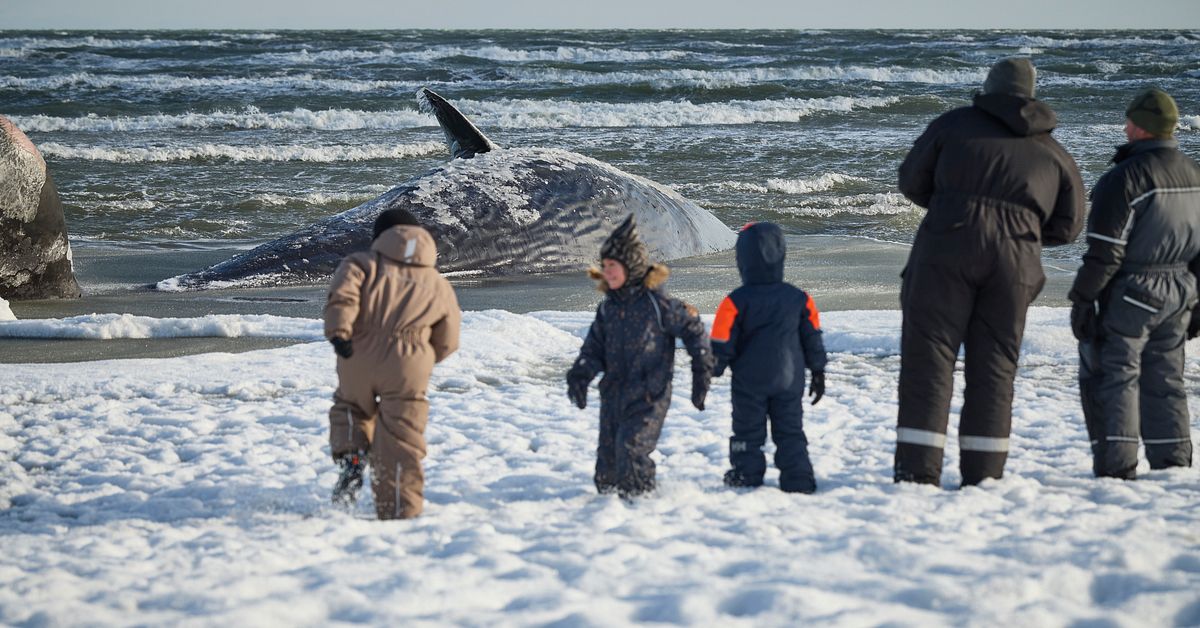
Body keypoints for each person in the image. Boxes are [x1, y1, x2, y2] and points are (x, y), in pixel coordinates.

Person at [894, 57, 1086, 487]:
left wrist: (953, 207)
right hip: (1015, 263)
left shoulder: (953, 125)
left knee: (931, 359)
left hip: (946, 249)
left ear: (989, 87)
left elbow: (911, 181)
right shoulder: (1053, 151)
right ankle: (984, 475)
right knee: (995, 367)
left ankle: (916, 473)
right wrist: (1023, 232)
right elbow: (1070, 225)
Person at [1069, 87, 1200, 479]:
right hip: (1180, 290)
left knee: (1116, 375)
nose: (1125, 126)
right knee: (1166, 379)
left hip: (1134, 291)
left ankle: (1117, 466)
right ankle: (1172, 464)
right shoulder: (1194, 175)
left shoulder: (1125, 178)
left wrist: (1082, 299)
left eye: (1130, 120)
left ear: (1142, 127)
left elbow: (1105, 252)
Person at [324, 208, 461, 519]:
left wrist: (339, 334)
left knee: (350, 406)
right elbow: (449, 337)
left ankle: (352, 456)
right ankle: (400, 513)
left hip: (358, 352)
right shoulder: (437, 282)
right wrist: (425, 358)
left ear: (380, 237)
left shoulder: (361, 264)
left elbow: (342, 298)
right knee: (402, 436)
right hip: (409, 363)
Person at [566, 215, 713, 498]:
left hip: (649, 396)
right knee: (607, 468)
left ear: (630, 266)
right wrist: (580, 376)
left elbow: (694, 333)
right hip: (613, 395)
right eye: (605, 265)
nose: (606, 272)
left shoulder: (658, 305)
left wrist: (701, 374)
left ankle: (644, 509)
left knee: (631, 452)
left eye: (613, 266)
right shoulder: (608, 308)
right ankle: (603, 520)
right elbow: (594, 348)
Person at [711, 222, 827, 494]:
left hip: (749, 382)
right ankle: (798, 479)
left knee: (747, 432)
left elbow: (720, 344)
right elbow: (813, 339)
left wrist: (709, 372)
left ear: (743, 259)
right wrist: (819, 372)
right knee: (790, 431)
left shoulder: (734, 301)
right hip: (789, 380)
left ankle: (745, 473)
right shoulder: (800, 299)